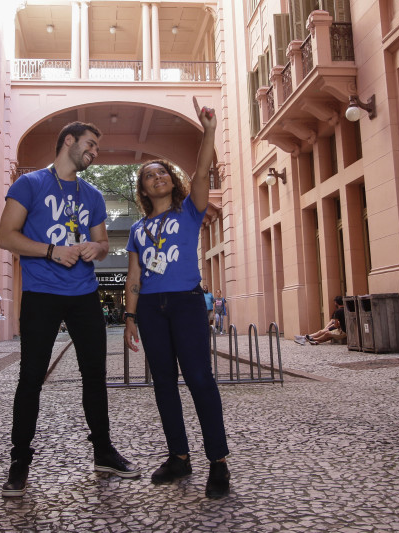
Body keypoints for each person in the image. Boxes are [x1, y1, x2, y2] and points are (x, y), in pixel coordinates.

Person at [0, 121, 141, 498]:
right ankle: (19, 462)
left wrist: (98, 249)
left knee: (95, 375)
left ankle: (104, 453)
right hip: (42, 292)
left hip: (83, 293)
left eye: (97, 148)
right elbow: (5, 236)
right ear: (68, 141)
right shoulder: (29, 185)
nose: (94, 153)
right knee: (31, 377)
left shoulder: (91, 194)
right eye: (90, 145)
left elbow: (103, 243)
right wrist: (50, 250)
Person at [123, 100, 230, 499]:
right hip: (150, 308)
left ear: (172, 179)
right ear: (143, 188)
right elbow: (134, 274)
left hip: (186, 302)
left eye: (162, 172)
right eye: (149, 176)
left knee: (200, 379)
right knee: (164, 383)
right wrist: (130, 316)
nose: (156, 177)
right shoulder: (136, 228)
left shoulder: (190, 211)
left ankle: (218, 462)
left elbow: (202, 170)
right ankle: (179, 458)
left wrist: (209, 132)